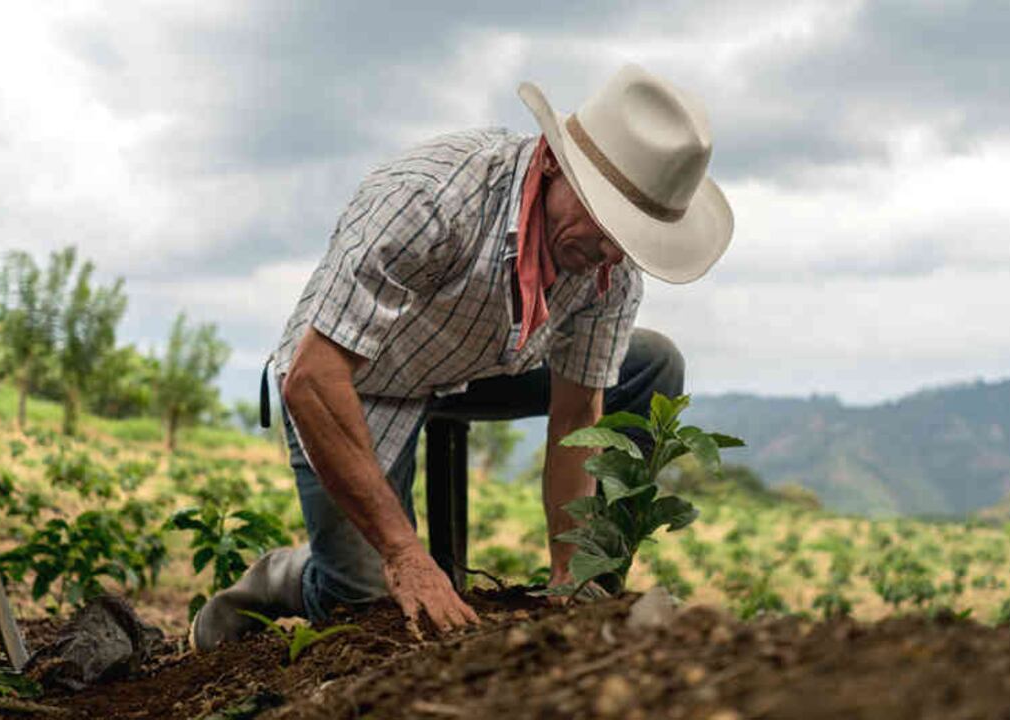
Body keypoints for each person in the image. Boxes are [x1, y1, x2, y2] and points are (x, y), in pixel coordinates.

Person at [189, 63, 734, 651]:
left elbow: (579, 414)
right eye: (606, 223)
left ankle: (595, 593)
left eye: (628, 238)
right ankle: (282, 577)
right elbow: (313, 379)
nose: (611, 253)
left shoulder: (609, 267)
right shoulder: (431, 200)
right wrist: (403, 553)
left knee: (653, 363)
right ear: (554, 163)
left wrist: (569, 574)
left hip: (480, 365)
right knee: (366, 603)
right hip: (358, 378)